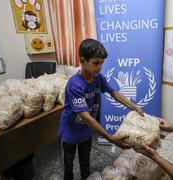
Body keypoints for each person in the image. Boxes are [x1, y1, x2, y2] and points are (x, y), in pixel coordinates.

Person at [59, 39, 144, 180]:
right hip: (70, 131)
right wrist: (110, 138)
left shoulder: (98, 78)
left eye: (102, 63)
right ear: (83, 61)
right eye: (96, 63)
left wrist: (134, 107)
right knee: (68, 165)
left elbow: (114, 93)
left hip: (86, 130)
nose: (100, 67)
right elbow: (86, 116)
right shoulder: (75, 85)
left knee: (85, 162)